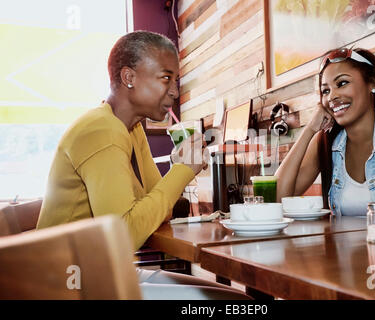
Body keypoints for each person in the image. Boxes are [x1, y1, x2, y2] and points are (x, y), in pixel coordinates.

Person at [37, 31, 250, 299]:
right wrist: (183, 170)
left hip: (99, 272)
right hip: (67, 285)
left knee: (234, 298)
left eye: (176, 80)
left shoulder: (132, 129)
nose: (174, 91)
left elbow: (161, 209)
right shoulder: (102, 131)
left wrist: (178, 166)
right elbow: (124, 236)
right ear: (129, 78)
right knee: (233, 302)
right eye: (165, 78)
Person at [275, 47, 375, 222]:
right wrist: (309, 130)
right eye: (325, 91)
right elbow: (276, 200)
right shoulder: (325, 142)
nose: (332, 97)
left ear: (372, 83)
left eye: (342, 83)